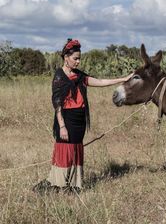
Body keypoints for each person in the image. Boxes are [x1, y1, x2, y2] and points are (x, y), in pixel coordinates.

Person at [34, 38, 132, 194]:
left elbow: (100, 81)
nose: (78, 62)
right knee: (65, 149)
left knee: (76, 149)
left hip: (79, 119)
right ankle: (58, 183)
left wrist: (123, 79)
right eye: (75, 59)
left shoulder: (79, 76)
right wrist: (62, 126)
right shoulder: (59, 77)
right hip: (67, 119)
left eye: (79, 58)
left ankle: (74, 184)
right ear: (66, 58)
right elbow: (57, 103)